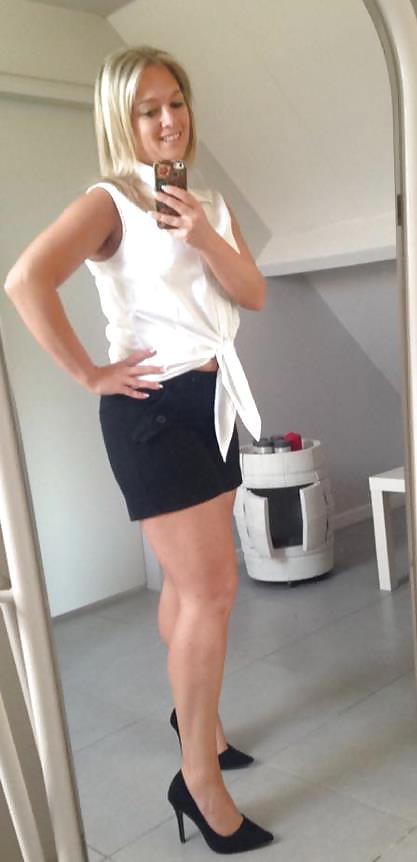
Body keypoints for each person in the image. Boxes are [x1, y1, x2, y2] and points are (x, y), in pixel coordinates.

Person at [4, 46, 273, 854]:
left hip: (212, 401)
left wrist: (203, 233)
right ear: (121, 121)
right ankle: (197, 779)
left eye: (175, 102)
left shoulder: (206, 202)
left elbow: (252, 293)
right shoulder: (109, 202)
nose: (167, 120)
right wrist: (90, 373)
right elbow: (25, 280)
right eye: (147, 109)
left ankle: (200, 722)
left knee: (194, 590)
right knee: (211, 592)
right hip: (151, 412)